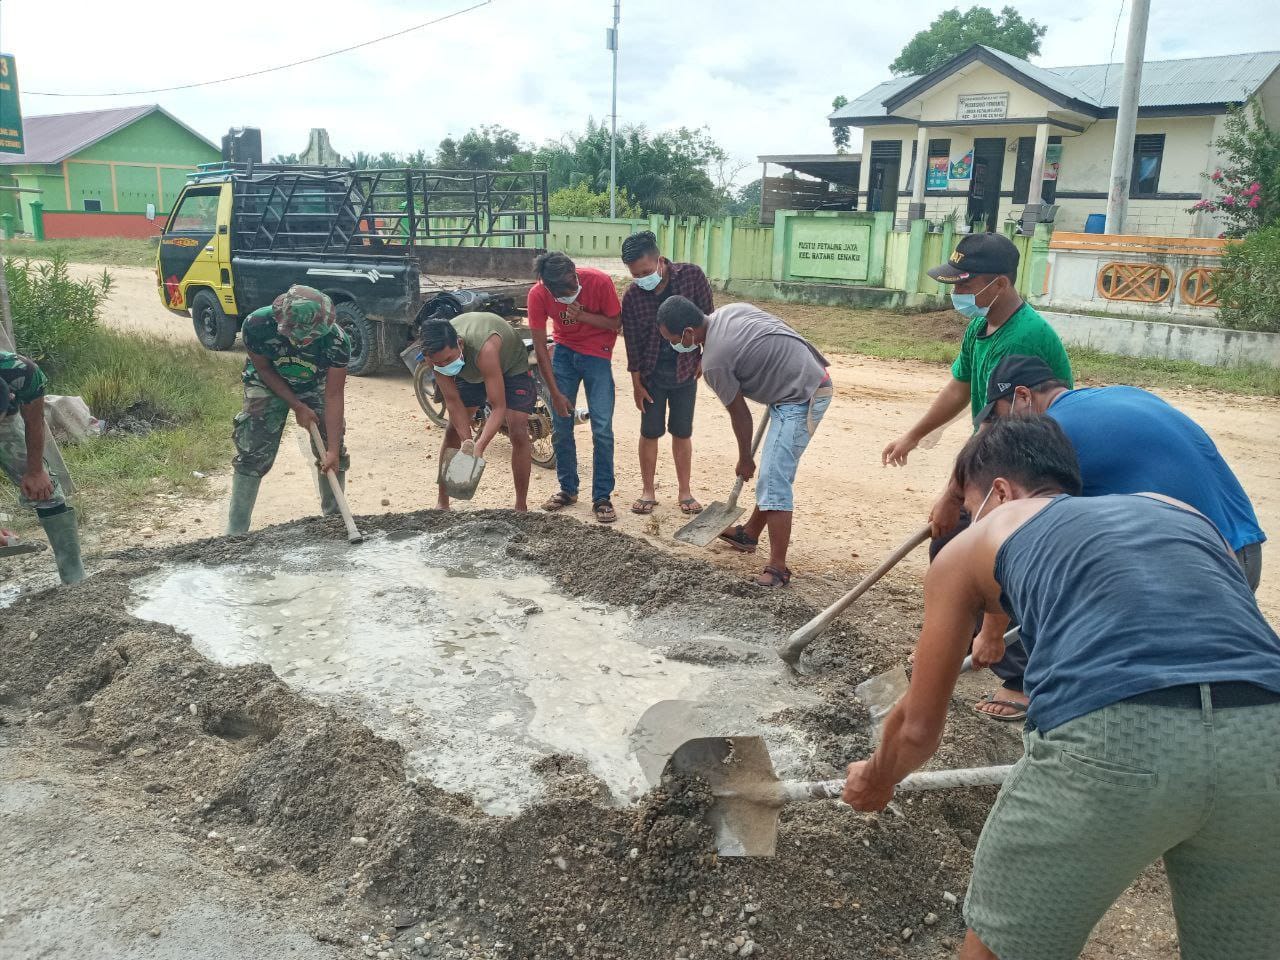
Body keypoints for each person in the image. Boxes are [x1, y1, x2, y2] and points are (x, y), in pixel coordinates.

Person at [843, 416, 1280, 960]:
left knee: (1004, 949)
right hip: (1266, 736)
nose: (964, 517)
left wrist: (878, 779)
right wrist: (994, 630)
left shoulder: (972, 542)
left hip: (1118, 737)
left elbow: (916, 728)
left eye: (967, 501)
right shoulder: (1179, 512)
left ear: (999, 492)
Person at [966, 355, 1269, 720]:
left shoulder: (1051, 436)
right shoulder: (1117, 397)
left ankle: (1028, 690)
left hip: (1189, 564)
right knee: (1186, 684)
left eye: (1000, 417)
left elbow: (1011, 532)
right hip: (1239, 552)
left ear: (1023, 397)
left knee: (1047, 565)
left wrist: (992, 632)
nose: (1001, 430)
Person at [881, 232, 1073, 538]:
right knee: (951, 542)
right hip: (996, 449)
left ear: (999, 284)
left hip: (1023, 462)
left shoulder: (1021, 339)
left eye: (964, 285)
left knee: (960, 543)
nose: (956, 292)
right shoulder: (980, 324)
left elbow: (997, 427)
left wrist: (953, 495)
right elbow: (959, 387)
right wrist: (913, 436)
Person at [657, 296, 832, 588]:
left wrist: (744, 458)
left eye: (672, 339)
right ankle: (749, 533)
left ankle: (778, 569)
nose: (673, 345)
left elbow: (741, 415)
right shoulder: (728, 312)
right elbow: (775, 329)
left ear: (688, 333)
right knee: (771, 473)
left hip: (803, 396)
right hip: (804, 374)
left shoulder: (714, 363)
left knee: (773, 478)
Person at [227, 285, 351, 535]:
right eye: (302, 335)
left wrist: (333, 450)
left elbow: (334, 394)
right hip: (266, 382)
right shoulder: (256, 324)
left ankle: (334, 522)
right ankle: (235, 532)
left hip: (313, 383)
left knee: (329, 446)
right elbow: (264, 369)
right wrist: (296, 406)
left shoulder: (337, 341)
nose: (306, 341)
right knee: (253, 449)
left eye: (312, 336)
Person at [619, 230, 712, 517]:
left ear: (659, 261)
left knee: (682, 432)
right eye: (635, 275)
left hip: (686, 370)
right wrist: (636, 384)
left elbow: (709, 319)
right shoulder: (633, 297)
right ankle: (648, 491)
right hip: (651, 373)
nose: (641, 279)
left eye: (646, 272)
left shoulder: (692, 277)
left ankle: (685, 492)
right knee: (650, 431)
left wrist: (703, 359)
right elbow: (632, 342)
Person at [527, 252, 623, 523]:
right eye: (561, 291)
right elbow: (539, 348)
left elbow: (616, 324)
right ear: (546, 285)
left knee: (602, 428)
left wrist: (583, 316)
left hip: (597, 355)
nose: (569, 292)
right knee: (561, 424)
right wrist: (554, 393)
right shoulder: (538, 294)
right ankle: (568, 490)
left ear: (574, 271)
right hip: (565, 352)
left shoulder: (599, 281)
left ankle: (602, 497)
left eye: (571, 285)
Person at [421, 313, 536, 511]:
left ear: (460, 344)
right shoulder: (435, 358)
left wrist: (480, 445)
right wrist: (467, 443)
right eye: (438, 363)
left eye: (448, 359)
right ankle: (442, 503)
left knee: (518, 430)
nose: (444, 366)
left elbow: (498, 406)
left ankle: (521, 507)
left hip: (510, 366)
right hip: (468, 371)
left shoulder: (486, 349)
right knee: (452, 431)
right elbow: (453, 401)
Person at [0, 350, 85, 583]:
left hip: (9, 415)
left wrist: (35, 470)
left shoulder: (22, 372)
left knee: (45, 489)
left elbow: (34, 420)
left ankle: (74, 576)